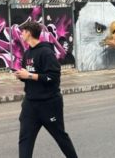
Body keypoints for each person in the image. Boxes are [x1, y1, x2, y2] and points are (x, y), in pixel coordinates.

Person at [14, 22, 78, 158]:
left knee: (60, 136)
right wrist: (22, 76)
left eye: (23, 31)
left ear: (29, 33)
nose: (21, 34)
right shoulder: (27, 54)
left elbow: (53, 78)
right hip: (30, 105)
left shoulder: (46, 53)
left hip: (49, 104)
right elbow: (30, 77)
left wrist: (29, 75)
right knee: (25, 140)